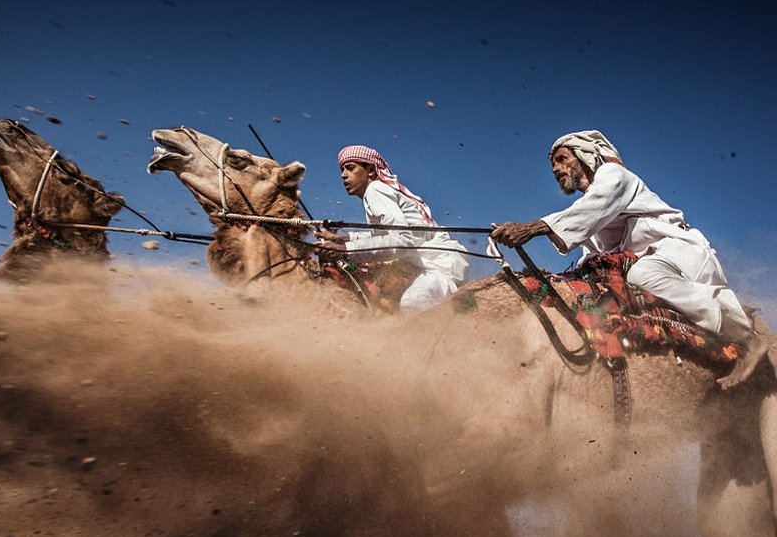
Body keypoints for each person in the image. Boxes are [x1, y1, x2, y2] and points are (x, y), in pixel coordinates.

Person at [490, 130, 767, 384]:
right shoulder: (591, 209)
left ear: (586, 155)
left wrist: (533, 228)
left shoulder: (614, 176)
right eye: (553, 164)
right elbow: (593, 250)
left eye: (562, 159)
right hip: (648, 259)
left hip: (677, 252)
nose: (555, 168)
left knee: (642, 275)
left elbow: (592, 208)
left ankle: (741, 331)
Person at [315, 145, 469, 311]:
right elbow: (388, 235)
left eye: (350, 168)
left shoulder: (375, 190)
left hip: (441, 266)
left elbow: (402, 240)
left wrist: (344, 249)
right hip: (427, 264)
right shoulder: (379, 192)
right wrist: (346, 238)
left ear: (371, 171)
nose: (343, 175)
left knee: (413, 303)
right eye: (342, 169)